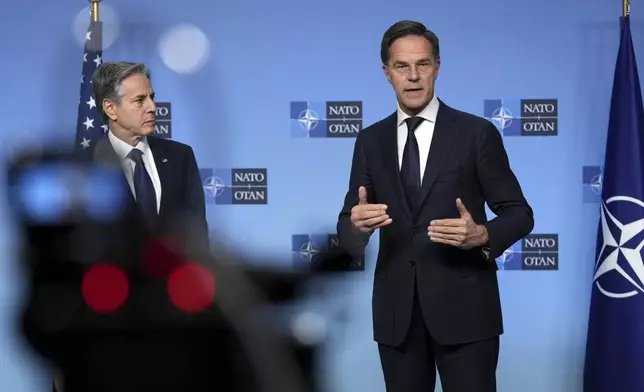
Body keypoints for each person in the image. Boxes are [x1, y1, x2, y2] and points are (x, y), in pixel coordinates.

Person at [336, 21, 534, 392]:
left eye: (423, 65)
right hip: (398, 318)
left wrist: (483, 234)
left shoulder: (476, 133)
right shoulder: (370, 140)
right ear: (386, 73)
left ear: (437, 68)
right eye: (402, 66)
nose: (413, 77)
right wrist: (357, 226)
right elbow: (349, 223)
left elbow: (520, 213)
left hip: (468, 315)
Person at [89, 61, 209, 255]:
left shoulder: (180, 157)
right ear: (111, 109)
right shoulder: (89, 164)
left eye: (152, 98)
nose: (152, 107)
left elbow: (197, 233)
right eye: (139, 100)